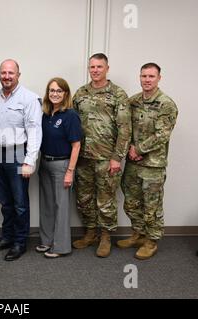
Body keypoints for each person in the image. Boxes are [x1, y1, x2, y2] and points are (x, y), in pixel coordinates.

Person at [72, 53, 131, 258]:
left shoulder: (117, 94)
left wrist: (117, 157)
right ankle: (90, 233)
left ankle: (105, 236)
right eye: (92, 67)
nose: (95, 70)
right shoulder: (80, 93)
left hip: (107, 158)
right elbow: (72, 125)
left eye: (99, 67)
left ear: (107, 68)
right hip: (83, 158)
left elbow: (125, 129)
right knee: (84, 198)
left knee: (105, 200)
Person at [0, 59, 42, 261]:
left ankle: (19, 242)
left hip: (18, 154)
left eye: (10, 73)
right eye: (3, 73)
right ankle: (7, 237)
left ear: (18, 74)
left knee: (19, 203)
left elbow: (35, 132)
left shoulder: (29, 98)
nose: (6, 76)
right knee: (5, 201)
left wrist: (30, 160)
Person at [118, 63, 178, 260]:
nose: (147, 79)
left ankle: (151, 241)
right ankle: (139, 234)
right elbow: (125, 128)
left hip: (153, 165)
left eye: (151, 76)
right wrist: (129, 150)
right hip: (134, 162)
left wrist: (139, 149)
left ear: (159, 78)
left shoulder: (166, 104)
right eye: (144, 76)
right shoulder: (133, 101)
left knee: (152, 205)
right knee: (131, 201)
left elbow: (162, 134)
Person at [36, 77, 82, 258]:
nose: (55, 94)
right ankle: (47, 241)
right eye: (52, 91)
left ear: (65, 94)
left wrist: (70, 171)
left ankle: (61, 246)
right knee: (46, 204)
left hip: (62, 165)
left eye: (59, 91)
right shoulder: (46, 114)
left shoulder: (70, 115)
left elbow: (76, 146)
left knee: (61, 207)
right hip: (45, 163)